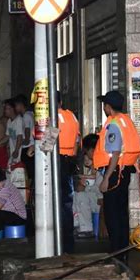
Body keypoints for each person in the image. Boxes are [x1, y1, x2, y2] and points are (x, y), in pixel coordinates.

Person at [93, 91, 140, 257]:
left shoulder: (114, 124)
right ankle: (122, 251)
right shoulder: (126, 121)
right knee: (121, 213)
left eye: (104, 105)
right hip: (124, 171)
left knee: (112, 214)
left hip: (115, 171)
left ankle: (116, 252)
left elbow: (115, 153)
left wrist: (106, 178)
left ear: (108, 107)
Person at [57, 91, 81, 253]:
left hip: (56, 162)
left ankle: (59, 244)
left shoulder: (51, 118)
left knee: (57, 204)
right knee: (67, 204)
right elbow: (78, 140)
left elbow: (44, 141)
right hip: (69, 161)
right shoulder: (72, 116)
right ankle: (68, 245)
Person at [73, 134, 103, 238]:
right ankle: (78, 225)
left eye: (87, 150)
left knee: (80, 196)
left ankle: (86, 229)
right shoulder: (95, 165)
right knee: (76, 195)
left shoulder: (101, 165)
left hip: (101, 202)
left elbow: (101, 188)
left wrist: (86, 188)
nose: (86, 153)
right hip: (96, 199)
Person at [14, 94, 35, 184]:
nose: (15, 108)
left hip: (27, 148)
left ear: (21, 105)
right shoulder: (31, 114)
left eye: (16, 105)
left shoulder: (26, 116)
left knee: (28, 173)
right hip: (31, 147)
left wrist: (19, 142)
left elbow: (27, 136)